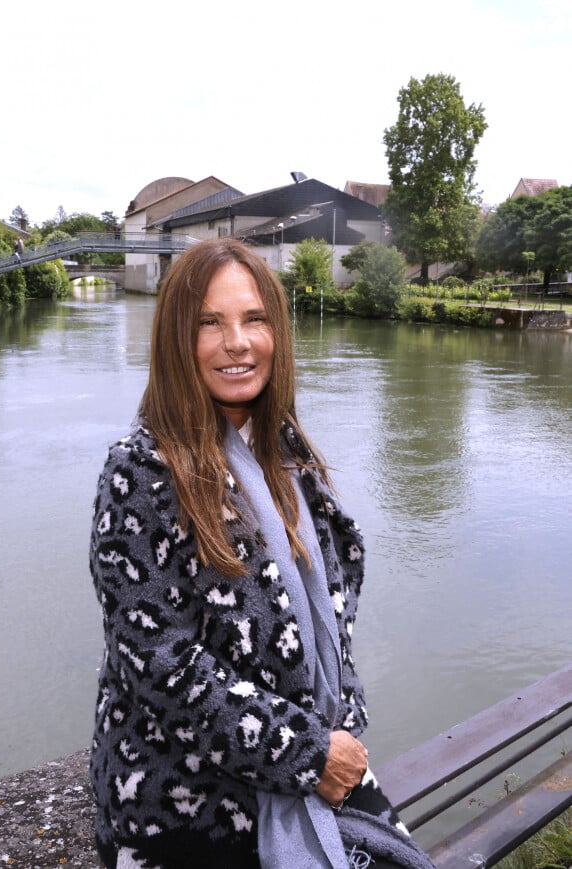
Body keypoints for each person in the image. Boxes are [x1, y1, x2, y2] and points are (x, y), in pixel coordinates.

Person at [89, 238, 435, 869]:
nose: (238, 342)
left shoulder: (286, 452)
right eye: (209, 324)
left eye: (254, 319)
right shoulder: (139, 472)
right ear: (175, 340)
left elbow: (332, 613)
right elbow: (159, 666)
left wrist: (337, 734)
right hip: (187, 803)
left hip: (309, 761)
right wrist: (309, 753)